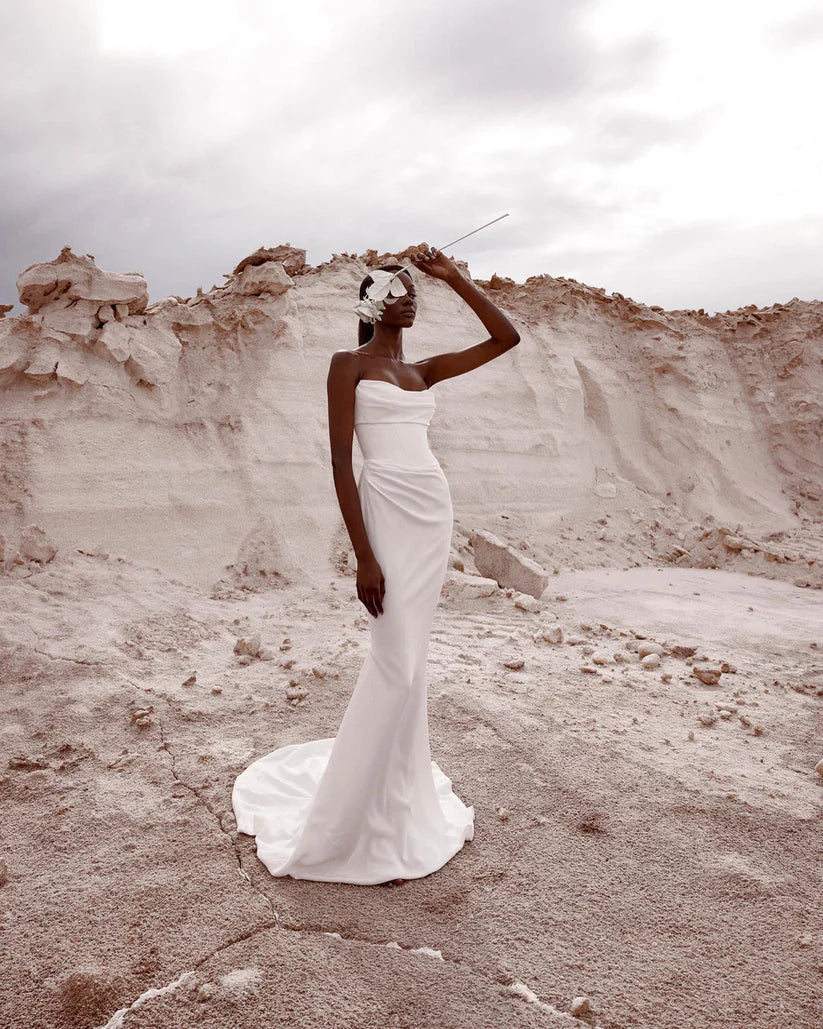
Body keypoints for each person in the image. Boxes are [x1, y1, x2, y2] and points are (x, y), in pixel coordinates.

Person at [232, 244, 520, 886]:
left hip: (431, 513)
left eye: (414, 293)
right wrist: (362, 554)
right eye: (398, 292)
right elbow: (342, 463)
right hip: (386, 510)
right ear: (369, 304)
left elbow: (507, 336)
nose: (409, 299)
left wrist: (455, 277)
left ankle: (396, 793)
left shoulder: (424, 372)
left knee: (412, 661)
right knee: (394, 659)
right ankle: (347, 818)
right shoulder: (346, 365)